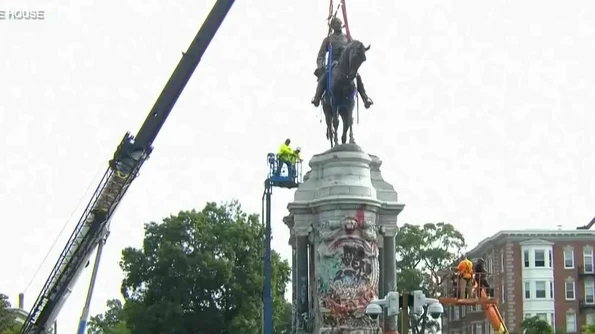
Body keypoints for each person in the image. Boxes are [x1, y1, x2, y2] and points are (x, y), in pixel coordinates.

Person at [311, 17, 373, 108]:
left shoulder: (347, 38)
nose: (339, 25)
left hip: (346, 65)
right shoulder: (328, 40)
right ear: (332, 26)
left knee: (357, 76)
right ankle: (317, 97)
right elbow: (321, 55)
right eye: (337, 24)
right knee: (324, 76)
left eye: (340, 23)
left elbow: (355, 49)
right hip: (333, 63)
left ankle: (365, 97)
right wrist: (321, 66)